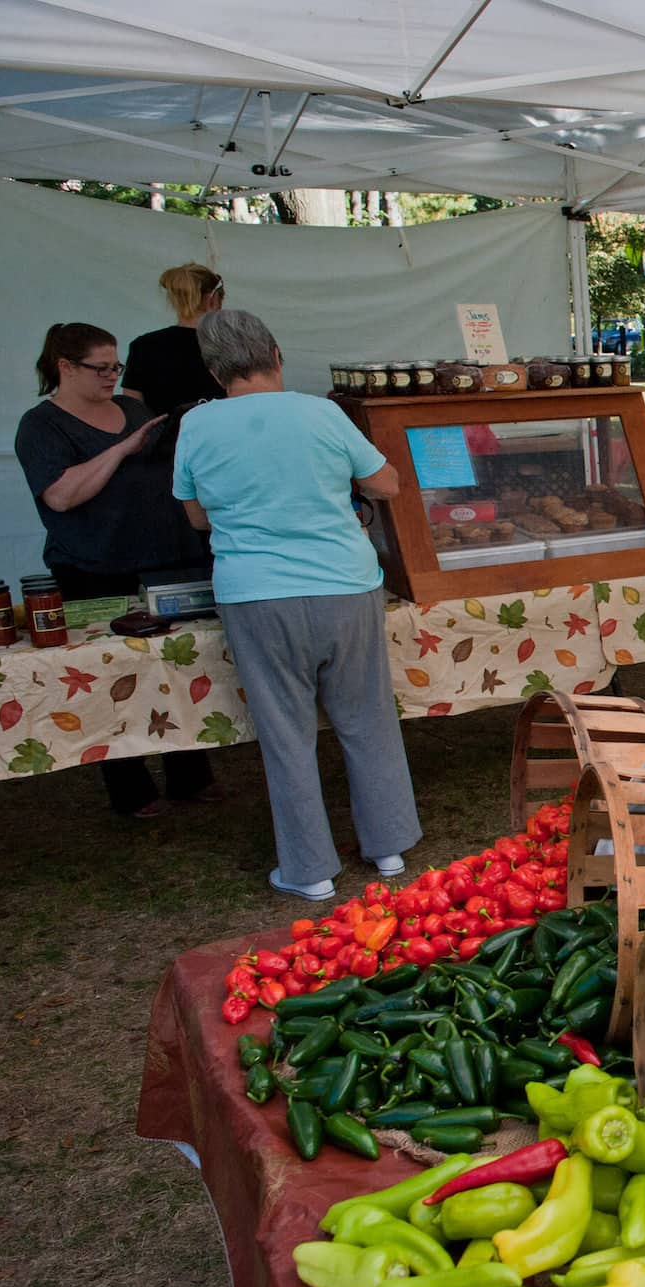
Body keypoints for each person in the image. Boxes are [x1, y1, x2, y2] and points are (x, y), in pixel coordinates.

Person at [173, 308, 421, 901]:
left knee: (286, 734)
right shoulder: (321, 412)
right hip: (344, 582)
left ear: (214, 370)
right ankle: (386, 845)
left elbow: (197, 516)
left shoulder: (196, 427)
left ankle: (309, 871)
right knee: (367, 718)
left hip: (256, 593)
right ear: (277, 354)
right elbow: (386, 484)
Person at [13, 322, 217, 817]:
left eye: (115, 367)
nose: (112, 377)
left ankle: (190, 774)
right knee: (109, 676)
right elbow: (61, 496)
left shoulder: (132, 410)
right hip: (94, 568)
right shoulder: (43, 425)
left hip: (170, 557)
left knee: (178, 664)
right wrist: (123, 449)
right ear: (64, 367)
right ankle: (130, 787)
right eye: (100, 368)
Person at [122, 263, 227, 415]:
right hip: (221, 436)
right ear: (212, 299)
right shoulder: (234, 346)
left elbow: (133, 409)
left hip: (164, 436)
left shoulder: (143, 346)